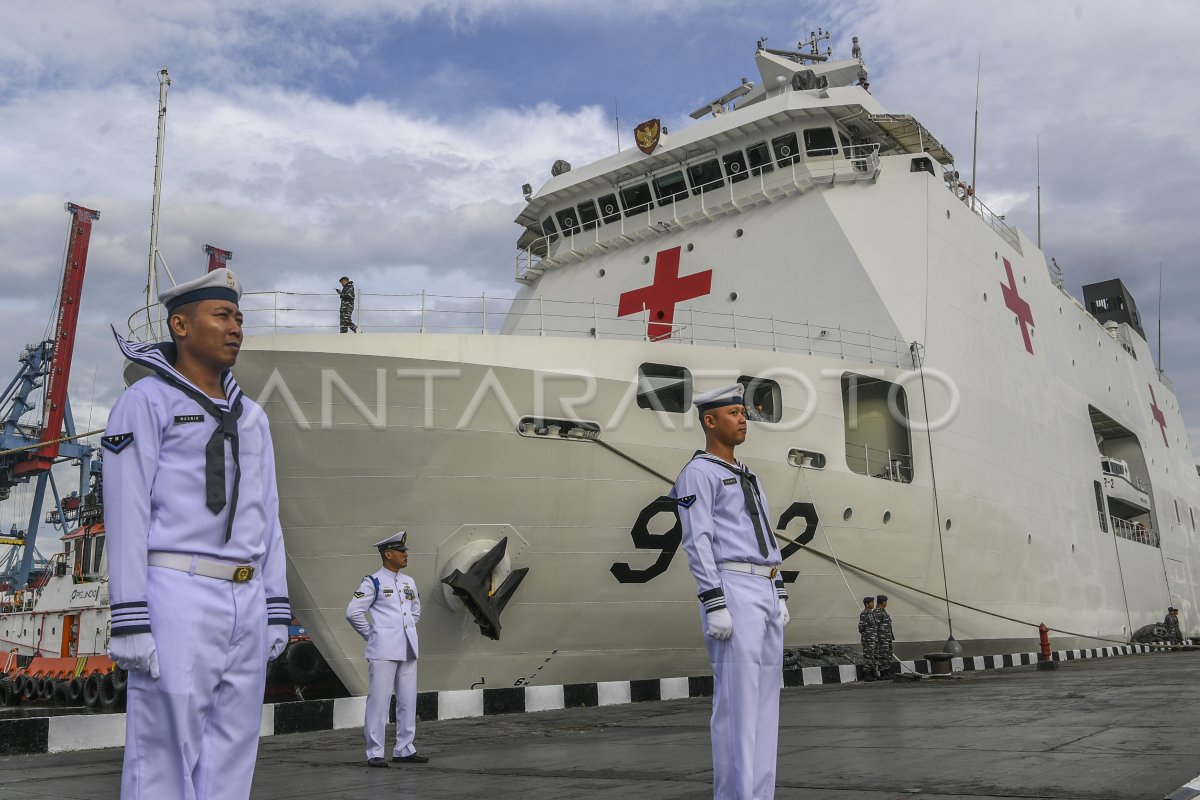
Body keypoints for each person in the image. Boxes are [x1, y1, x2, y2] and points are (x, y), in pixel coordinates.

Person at [103, 268, 291, 800]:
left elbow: (267, 516)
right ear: (180, 325)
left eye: (239, 318)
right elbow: (127, 510)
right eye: (222, 316)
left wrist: (276, 603)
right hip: (176, 590)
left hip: (247, 594)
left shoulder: (252, 418)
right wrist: (130, 615)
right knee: (163, 754)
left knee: (233, 753)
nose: (236, 328)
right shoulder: (146, 403)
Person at [669, 383, 789, 800]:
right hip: (733, 587)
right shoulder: (698, 474)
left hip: (766, 587)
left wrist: (781, 592)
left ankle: (761, 794)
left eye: (743, 412)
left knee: (764, 706)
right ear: (710, 420)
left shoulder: (748, 474)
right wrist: (713, 601)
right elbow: (697, 541)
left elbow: (766, 535)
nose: (743, 419)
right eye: (735, 412)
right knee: (738, 708)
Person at [346, 531, 428, 768]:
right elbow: (353, 612)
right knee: (379, 702)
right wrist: (372, 634)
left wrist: (405, 630)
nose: (405, 555)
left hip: (408, 647)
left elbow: (415, 611)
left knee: (407, 701)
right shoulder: (373, 581)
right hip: (383, 649)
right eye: (401, 551)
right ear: (388, 554)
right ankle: (375, 751)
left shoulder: (408, 582)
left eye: (405, 551)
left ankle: (404, 748)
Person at [873, 594, 895, 678]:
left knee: (888, 655)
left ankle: (887, 672)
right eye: (885, 601)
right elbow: (876, 626)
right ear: (882, 602)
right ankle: (883, 673)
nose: (886, 603)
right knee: (882, 656)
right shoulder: (877, 612)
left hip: (887, 638)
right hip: (882, 639)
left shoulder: (883, 611)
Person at [858, 596, 878, 681]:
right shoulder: (864, 613)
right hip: (868, 639)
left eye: (873, 602)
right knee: (868, 657)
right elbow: (861, 627)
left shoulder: (872, 613)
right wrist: (868, 635)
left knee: (873, 657)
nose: (873, 604)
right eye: (871, 602)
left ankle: (874, 674)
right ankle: (867, 674)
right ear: (867, 604)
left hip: (873, 638)